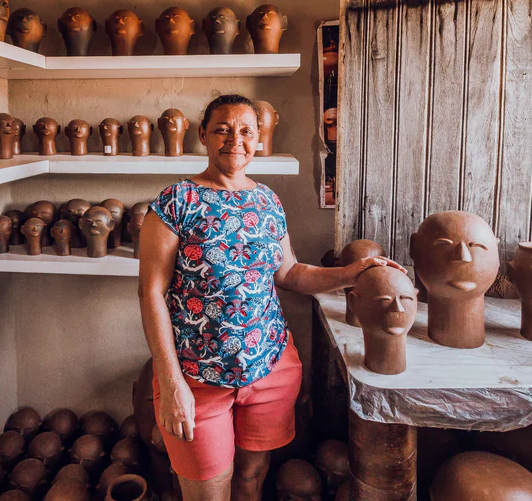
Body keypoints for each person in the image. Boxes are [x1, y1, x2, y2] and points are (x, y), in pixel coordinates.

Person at [138, 94, 404, 501]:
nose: (235, 139)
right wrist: (172, 382)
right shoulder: (176, 203)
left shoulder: (267, 201)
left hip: (269, 367)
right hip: (196, 377)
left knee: (252, 477)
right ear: (204, 135)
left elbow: (290, 273)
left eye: (246, 130)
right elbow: (151, 292)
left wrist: (351, 274)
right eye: (223, 129)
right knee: (208, 492)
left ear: (258, 138)